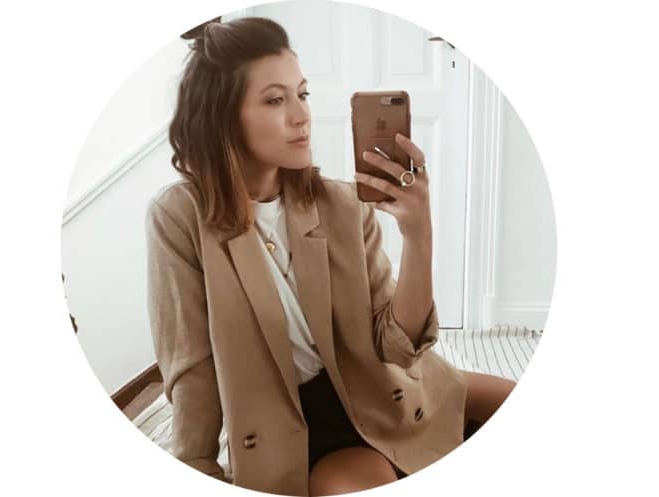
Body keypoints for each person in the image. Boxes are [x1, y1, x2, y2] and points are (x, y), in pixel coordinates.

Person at [145, 16, 516, 497]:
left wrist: (418, 234)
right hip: (301, 426)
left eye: (302, 94)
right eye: (275, 100)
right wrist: (198, 466)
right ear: (222, 116)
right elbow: (192, 367)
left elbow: (397, 346)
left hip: (390, 392)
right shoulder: (179, 217)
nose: (301, 115)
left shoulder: (342, 204)